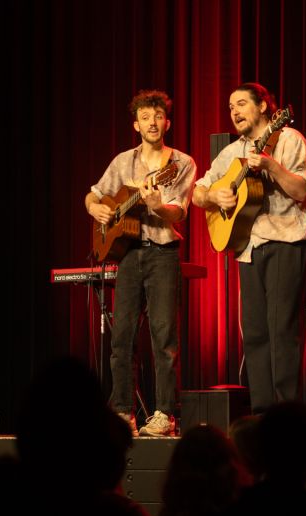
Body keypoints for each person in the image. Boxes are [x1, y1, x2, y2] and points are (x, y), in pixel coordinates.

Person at [193, 82, 306, 414]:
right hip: (248, 248)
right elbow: (198, 191)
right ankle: (262, 414)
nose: (234, 111)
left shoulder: (288, 139)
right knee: (256, 335)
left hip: (286, 241)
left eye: (242, 103)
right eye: (230, 106)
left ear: (264, 107)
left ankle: (286, 415)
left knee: (281, 333)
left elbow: (302, 191)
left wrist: (272, 166)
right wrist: (215, 196)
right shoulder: (232, 153)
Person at [85, 89, 195, 437]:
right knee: (122, 338)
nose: (152, 121)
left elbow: (179, 211)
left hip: (163, 252)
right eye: (146, 116)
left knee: (164, 337)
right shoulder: (122, 162)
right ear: (136, 124)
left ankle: (165, 414)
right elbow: (94, 193)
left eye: (158, 116)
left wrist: (156, 204)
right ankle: (121, 412)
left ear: (167, 122)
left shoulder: (180, 164)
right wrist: (96, 208)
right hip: (129, 254)